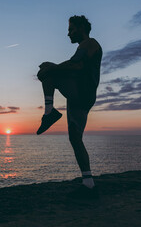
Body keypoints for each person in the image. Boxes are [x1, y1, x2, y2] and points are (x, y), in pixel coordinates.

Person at [37, 15, 102, 197]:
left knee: (46, 73)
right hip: (81, 97)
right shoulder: (85, 46)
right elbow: (75, 66)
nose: (68, 34)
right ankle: (88, 183)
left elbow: (77, 64)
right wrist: (55, 66)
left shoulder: (89, 43)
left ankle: (49, 112)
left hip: (81, 93)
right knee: (75, 138)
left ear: (81, 28)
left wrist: (53, 67)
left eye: (71, 30)